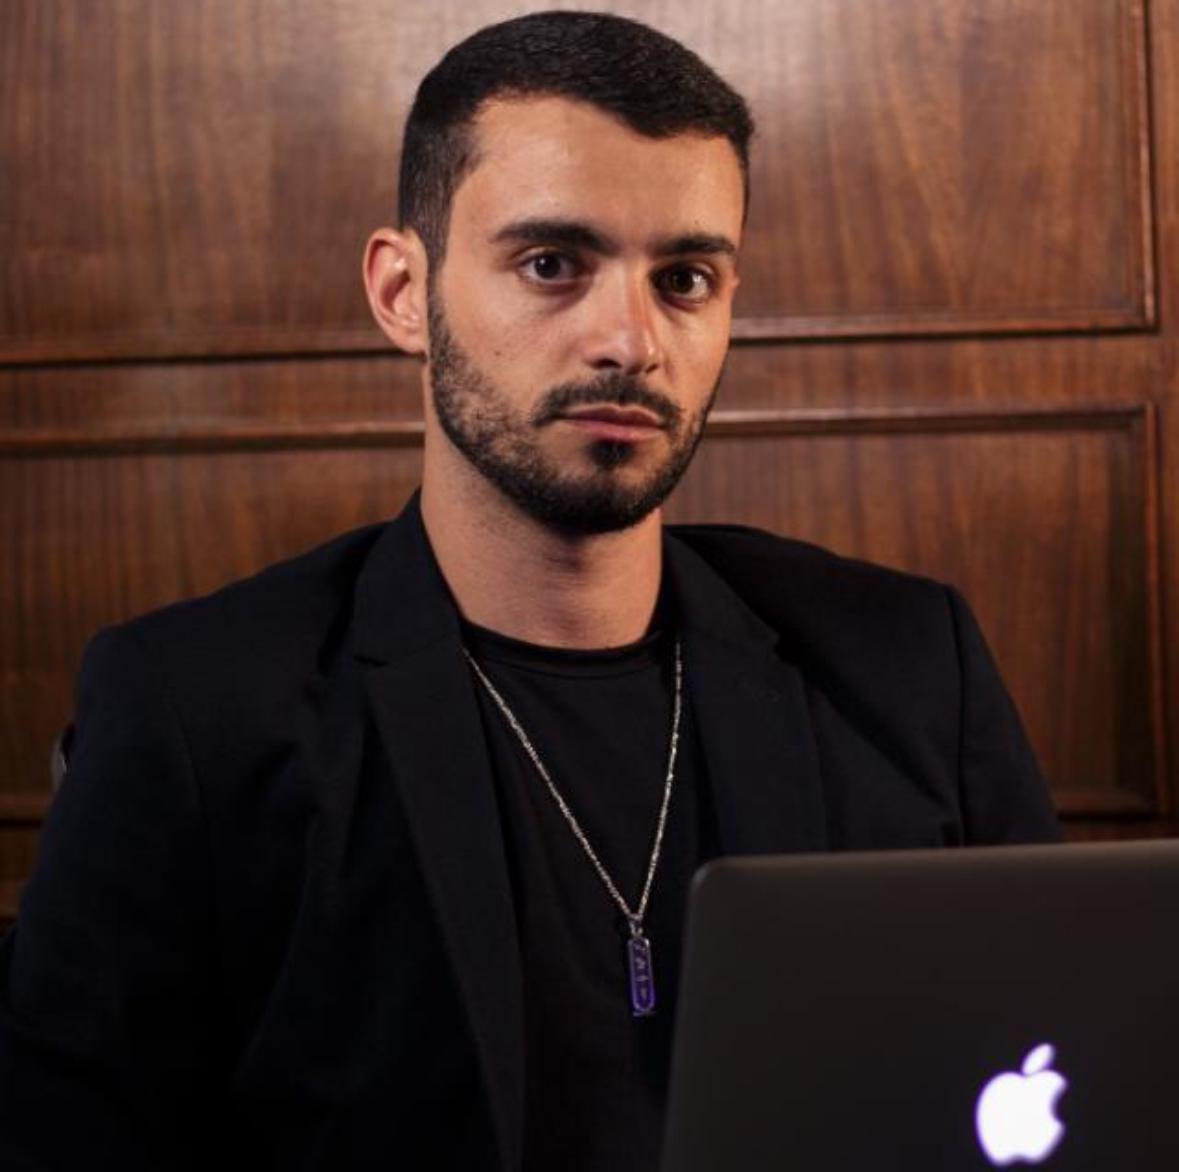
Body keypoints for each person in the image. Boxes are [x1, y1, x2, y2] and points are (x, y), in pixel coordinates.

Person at [0, 10, 1059, 1171]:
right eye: (553, 264)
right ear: (404, 292)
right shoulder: (197, 708)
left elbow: (1060, 1072)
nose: (629, 339)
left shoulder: (910, 667)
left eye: (686, 277)